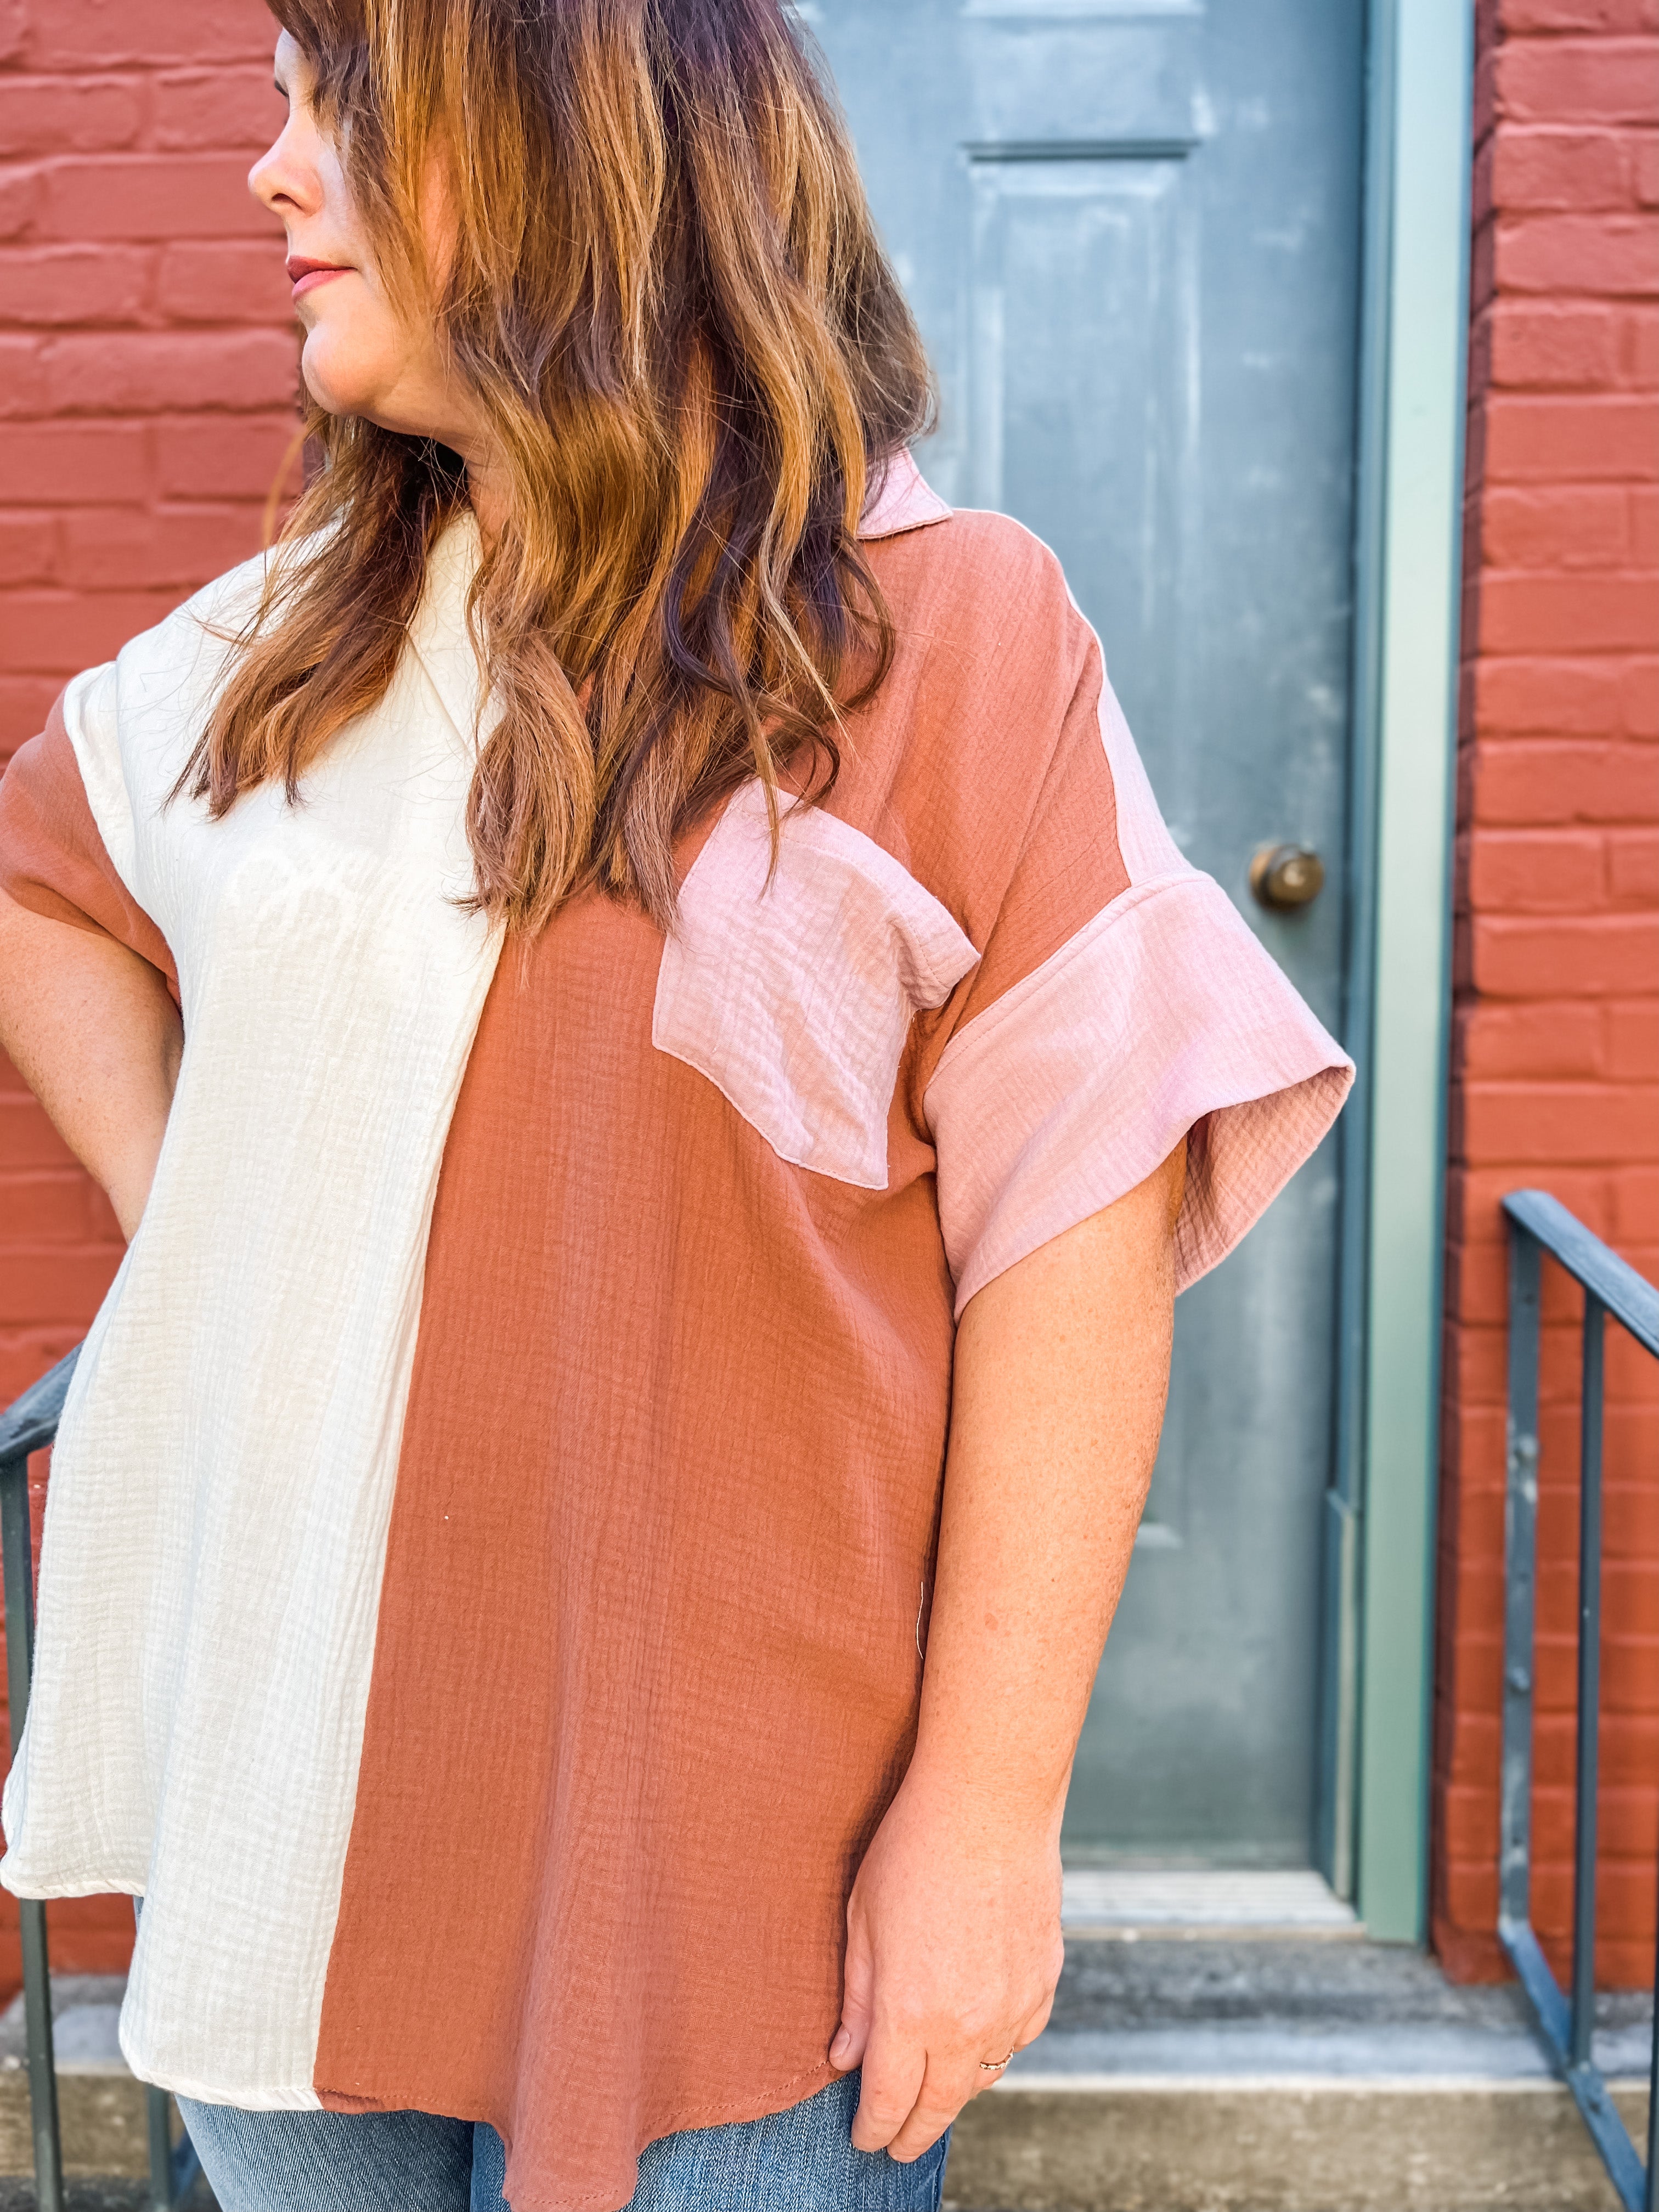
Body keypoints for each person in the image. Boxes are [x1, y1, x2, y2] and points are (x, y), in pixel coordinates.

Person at [0, 3, 1352, 2208]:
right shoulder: (283, 650)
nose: (269, 171)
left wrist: (990, 1818)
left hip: (736, 1904)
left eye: (337, 101)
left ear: (572, 135)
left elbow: (1074, 1236)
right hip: (291, 1816)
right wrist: (205, 1222)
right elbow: (39, 879)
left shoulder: (945, 639)